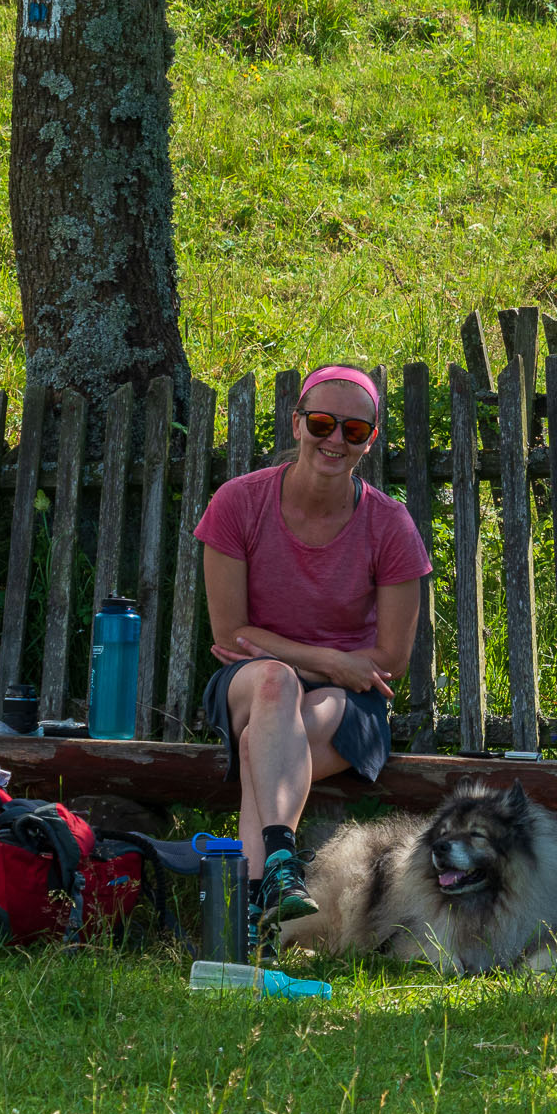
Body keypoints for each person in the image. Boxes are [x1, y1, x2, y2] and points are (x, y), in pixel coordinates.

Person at [195, 365, 432, 944]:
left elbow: (389, 663)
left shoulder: (390, 525)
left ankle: (257, 906)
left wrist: (329, 671)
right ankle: (280, 864)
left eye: (354, 431)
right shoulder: (239, 503)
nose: (335, 440)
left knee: (263, 741)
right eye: (323, 423)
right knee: (273, 684)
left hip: (349, 705)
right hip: (249, 686)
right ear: (297, 423)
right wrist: (328, 660)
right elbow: (231, 635)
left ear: (370, 440)